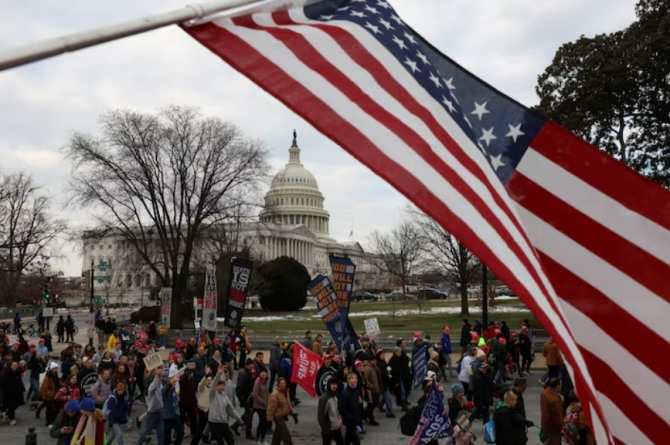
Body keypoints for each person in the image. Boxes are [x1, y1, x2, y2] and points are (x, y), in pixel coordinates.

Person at [209, 364, 244, 445]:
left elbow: (231, 409)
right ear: (216, 387)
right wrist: (218, 375)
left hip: (223, 422)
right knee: (219, 443)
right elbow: (212, 386)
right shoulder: (213, 394)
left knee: (231, 441)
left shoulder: (225, 396)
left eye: (223, 386)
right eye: (220, 385)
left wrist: (239, 419)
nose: (221, 387)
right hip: (214, 423)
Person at [136, 367, 165, 445]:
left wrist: (160, 375)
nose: (161, 379)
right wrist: (157, 375)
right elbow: (155, 384)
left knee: (161, 431)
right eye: (159, 378)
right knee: (146, 430)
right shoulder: (152, 387)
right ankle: (139, 443)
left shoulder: (160, 386)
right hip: (152, 412)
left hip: (160, 411)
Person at [266, 377, 295, 445]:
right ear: (278, 384)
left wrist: (292, 412)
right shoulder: (274, 394)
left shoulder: (285, 392)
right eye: (281, 383)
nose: (283, 385)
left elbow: (288, 403)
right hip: (278, 417)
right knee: (286, 434)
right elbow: (271, 408)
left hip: (283, 416)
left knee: (278, 435)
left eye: (284, 383)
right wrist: (269, 419)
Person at [338, 373, 362, 445]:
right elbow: (342, 409)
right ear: (348, 381)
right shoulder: (345, 393)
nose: (355, 380)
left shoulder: (356, 391)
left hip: (354, 420)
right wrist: (351, 418)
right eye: (353, 378)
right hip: (350, 421)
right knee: (356, 441)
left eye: (356, 378)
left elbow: (356, 405)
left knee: (347, 440)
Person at [318, 377, 343, 445]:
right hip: (328, 429)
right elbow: (321, 416)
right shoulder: (324, 398)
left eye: (335, 384)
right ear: (329, 385)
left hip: (336, 428)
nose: (334, 386)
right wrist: (326, 430)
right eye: (332, 384)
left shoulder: (335, 396)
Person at [161, 372, 184, 445]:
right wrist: (170, 383)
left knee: (180, 433)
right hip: (168, 416)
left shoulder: (174, 389)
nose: (174, 381)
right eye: (172, 379)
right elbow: (164, 392)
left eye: (174, 379)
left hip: (175, 415)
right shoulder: (165, 388)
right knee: (166, 438)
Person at [540, 377, 564, 445]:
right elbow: (558, 416)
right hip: (554, 428)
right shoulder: (554, 400)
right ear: (557, 386)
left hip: (546, 425)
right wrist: (563, 427)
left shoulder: (544, 393)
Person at [1, 360, 25, 425]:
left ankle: (7, 414)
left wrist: (22, 389)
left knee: (15, 405)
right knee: (11, 406)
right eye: (13, 365)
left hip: (17, 393)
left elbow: (20, 382)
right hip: (8, 394)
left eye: (16, 365)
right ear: (11, 366)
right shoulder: (6, 373)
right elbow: (2, 383)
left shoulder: (17, 373)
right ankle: (12, 419)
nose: (15, 366)